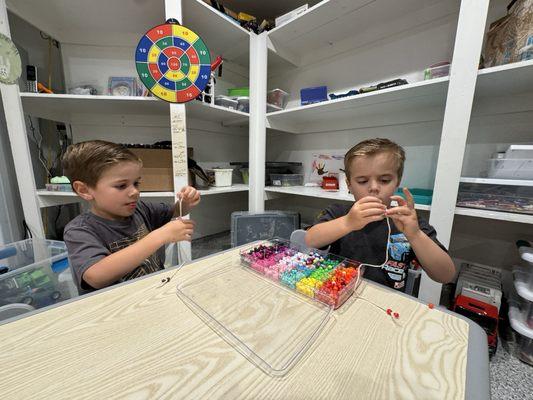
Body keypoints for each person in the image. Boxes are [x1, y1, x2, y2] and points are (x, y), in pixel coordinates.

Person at [306, 138, 455, 291]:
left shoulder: (408, 222)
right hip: (338, 293)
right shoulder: (339, 213)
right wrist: (347, 223)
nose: (374, 188)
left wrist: (415, 235)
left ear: (397, 182)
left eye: (384, 180)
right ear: (349, 184)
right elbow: (310, 240)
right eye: (363, 181)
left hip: (385, 302)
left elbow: (445, 275)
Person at [62, 140, 199, 293]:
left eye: (136, 183)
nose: (135, 192)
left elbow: (176, 211)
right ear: (84, 190)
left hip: (154, 292)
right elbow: (96, 276)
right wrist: (159, 236)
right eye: (121, 185)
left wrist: (186, 202)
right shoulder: (79, 230)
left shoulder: (141, 209)